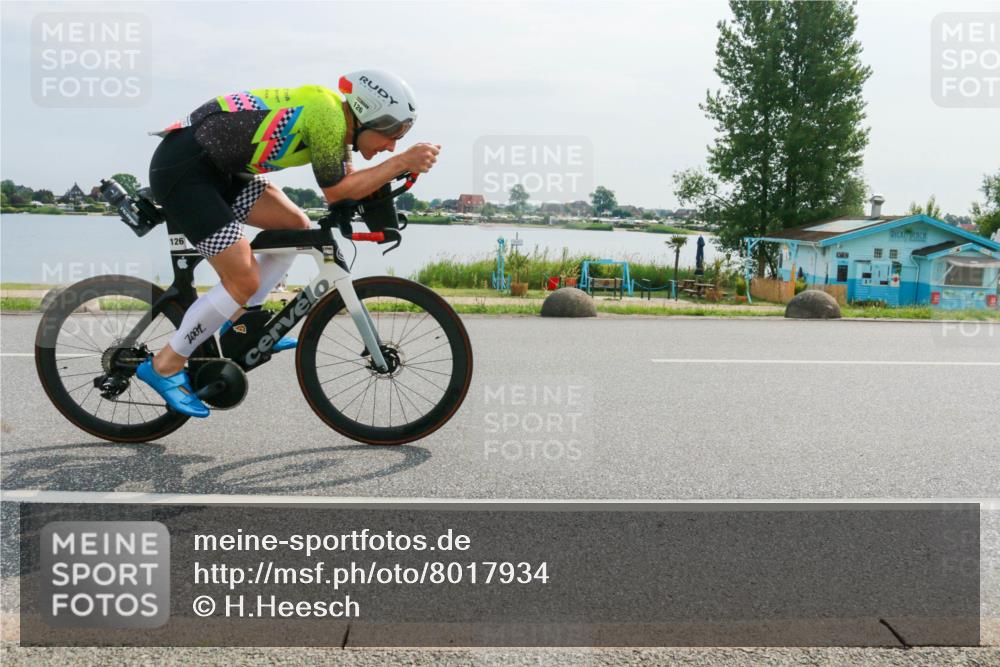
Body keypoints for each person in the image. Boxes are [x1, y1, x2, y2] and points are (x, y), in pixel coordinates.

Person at [138, 70, 440, 418]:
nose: (391, 146)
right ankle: (164, 365)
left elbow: (348, 186)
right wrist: (401, 162)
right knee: (243, 279)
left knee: (294, 226)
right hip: (185, 171)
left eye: (399, 141)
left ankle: (240, 323)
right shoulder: (326, 116)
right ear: (367, 115)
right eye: (392, 135)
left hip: (218, 172)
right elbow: (337, 191)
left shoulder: (337, 126)